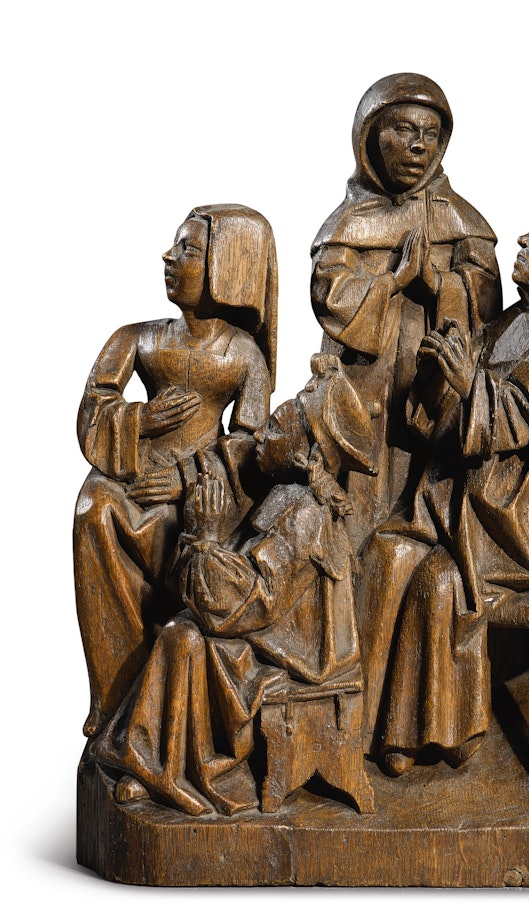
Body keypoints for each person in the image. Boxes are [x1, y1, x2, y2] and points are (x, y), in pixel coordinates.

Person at [361, 191, 529, 775]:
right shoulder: (510, 322)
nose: (525, 241)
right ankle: (368, 726)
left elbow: (512, 420)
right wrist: (440, 372)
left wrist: (467, 384)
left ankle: (440, 736)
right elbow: (454, 406)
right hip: (476, 502)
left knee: (440, 583)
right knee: (385, 551)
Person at [91, 355, 376, 816]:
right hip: (268, 628)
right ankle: (153, 763)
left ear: (305, 455)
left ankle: (183, 770)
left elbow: (250, 602)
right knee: (182, 628)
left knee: (185, 636)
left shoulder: (304, 513)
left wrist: (204, 541)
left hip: (295, 652)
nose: (259, 434)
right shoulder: (285, 493)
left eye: (275, 428)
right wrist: (199, 537)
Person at [74, 204, 277, 737]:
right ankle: (114, 691)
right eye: (176, 246)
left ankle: (167, 704)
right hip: (133, 474)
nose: (168, 257)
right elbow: (94, 404)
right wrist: (140, 420)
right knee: (93, 510)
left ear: (224, 268)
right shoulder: (137, 338)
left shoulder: (242, 355)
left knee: (182, 531)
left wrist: (189, 476)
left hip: (201, 489)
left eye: (188, 250)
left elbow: (252, 444)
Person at [311, 73, 502, 547]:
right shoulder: (350, 220)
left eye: (430, 134)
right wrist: (394, 281)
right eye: (403, 129)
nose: (418, 145)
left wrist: (437, 283)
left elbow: (487, 304)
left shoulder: (459, 218)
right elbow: (329, 294)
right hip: (361, 383)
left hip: (433, 386)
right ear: (370, 137)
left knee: (426, 517)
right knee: (353, 513)